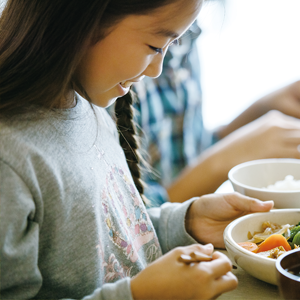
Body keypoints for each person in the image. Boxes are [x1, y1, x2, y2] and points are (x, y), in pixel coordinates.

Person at [0, 0, 274, 299]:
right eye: (155, 46)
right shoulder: (9, 159)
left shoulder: (87, 106)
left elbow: (105, 243)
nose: (157, 69)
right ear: (84, 21)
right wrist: (140, 295)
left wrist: (183, 223)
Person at [133, 20, 300, 206]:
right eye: (155, 47)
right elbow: (131, 222)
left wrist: (263, 109)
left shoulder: (188, 31)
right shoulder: (119, 76)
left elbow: (187, 155)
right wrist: (221, 163)